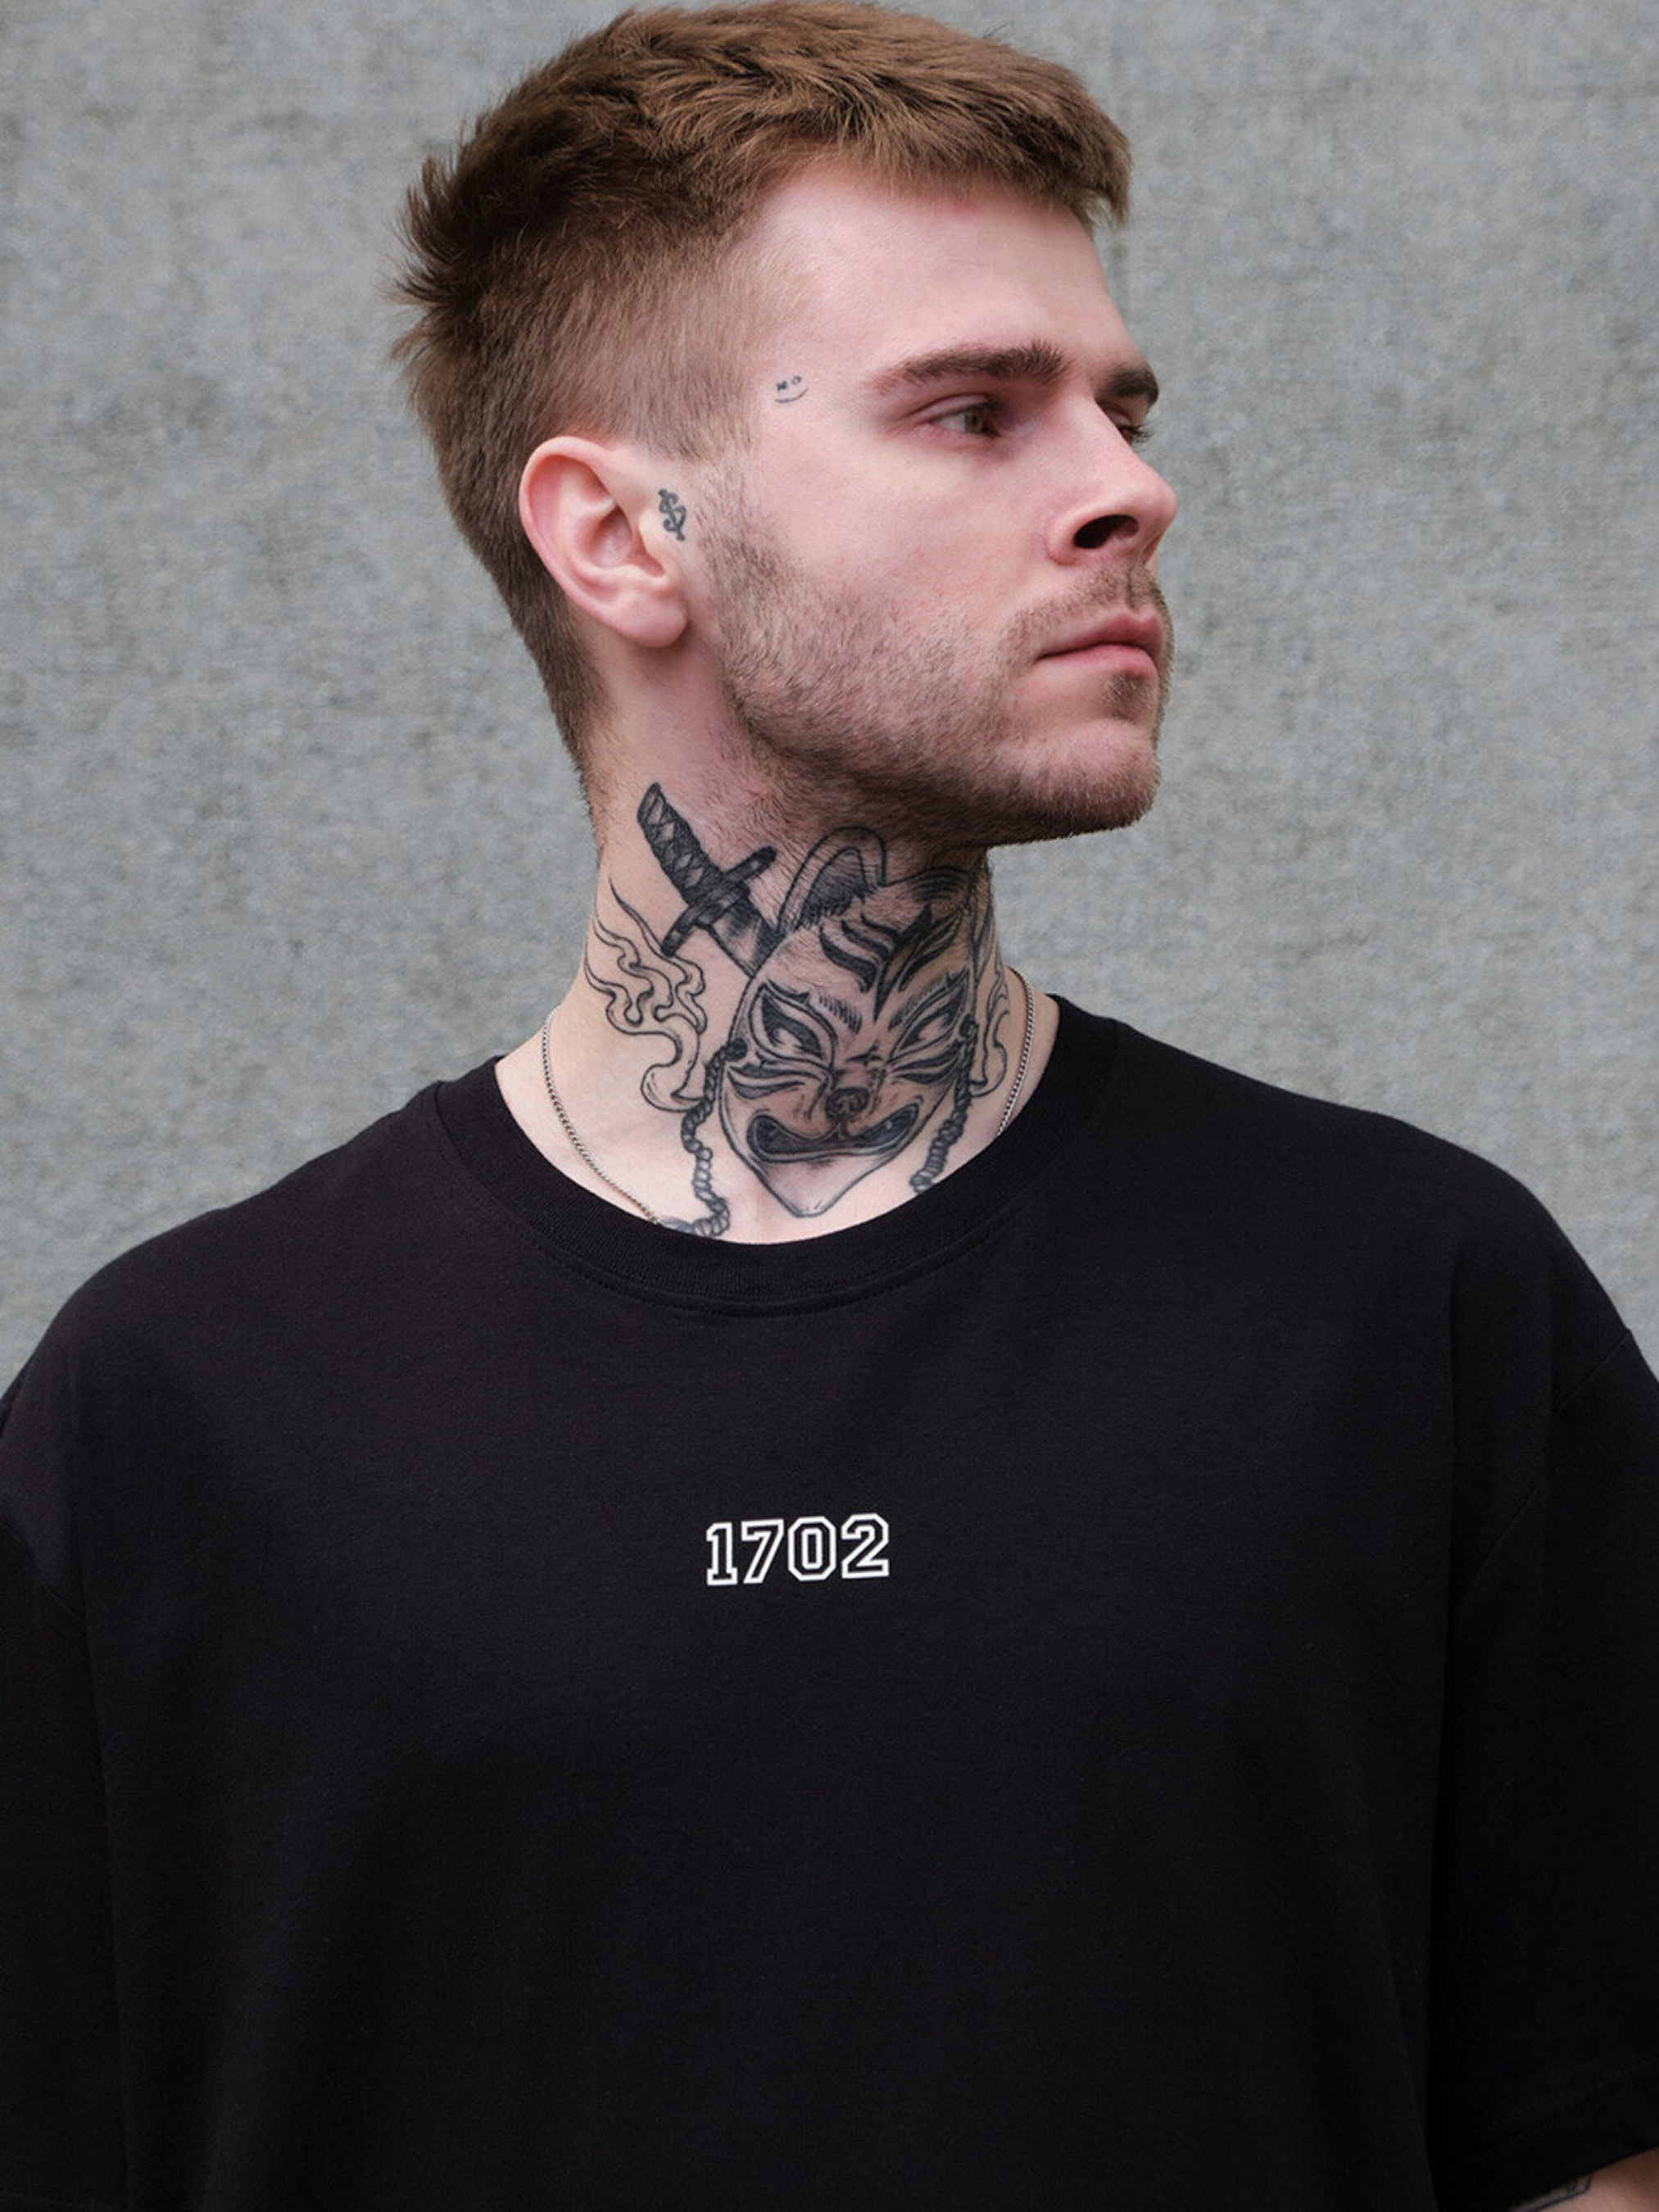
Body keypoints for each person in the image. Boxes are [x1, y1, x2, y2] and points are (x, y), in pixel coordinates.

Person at [2, 3, 1656, 2205]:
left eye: (1119, 405)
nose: (1129, 485)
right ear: (622, 533)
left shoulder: (1416, 1317)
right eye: (972, 410)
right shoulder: (172, 1418)